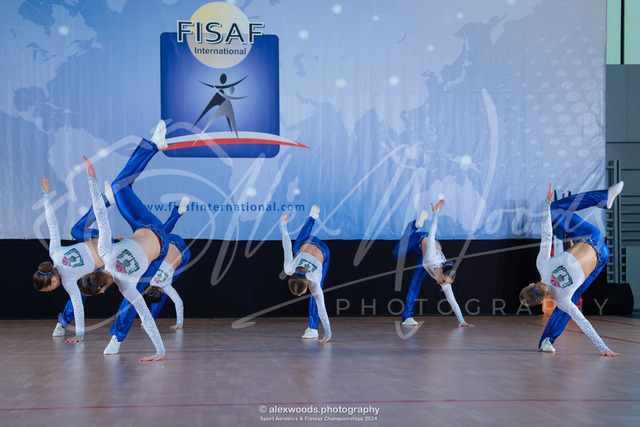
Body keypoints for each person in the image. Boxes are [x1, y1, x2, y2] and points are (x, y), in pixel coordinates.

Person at [77, 122, 170, 362]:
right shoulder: (105, 252)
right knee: (118, 186)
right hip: (149, 227)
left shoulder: (126, 287)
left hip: (157, 240)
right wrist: (91, 180)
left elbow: (146, 318)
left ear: (103, 290)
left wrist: (160, 352)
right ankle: (116, 338)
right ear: (94, 272)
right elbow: (101, 216)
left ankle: (154, 145)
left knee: (120, 185)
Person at [519, 182, 624, 357]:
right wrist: (546, 205)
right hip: (591, 237)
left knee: (573, 297)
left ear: (542, 300)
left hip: (601, 259)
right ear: (531, 284)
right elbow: (547, 235)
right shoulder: (542, 265)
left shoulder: (562, 300)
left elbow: (583, 323)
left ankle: (547, 340)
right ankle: (604, 197)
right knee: (555, 209)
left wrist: (603, 348)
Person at [33, 176, 114, 343]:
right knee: (77, 230)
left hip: (107, 245)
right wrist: (46, 198)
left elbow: (78, 306)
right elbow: (52, 225)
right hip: (104, 240)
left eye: (48, 290)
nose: (50, 292)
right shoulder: (54, 253)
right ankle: (105, 200)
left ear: (52, 282)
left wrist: (80, 334)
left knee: (77, 231)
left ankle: (106, 200)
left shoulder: (68, 282)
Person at [103, 215, 190, 355]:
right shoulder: (148, 277)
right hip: (169, 247)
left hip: (182, 251)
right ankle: (176, 214)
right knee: (157, 237)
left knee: (159, 236)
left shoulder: (165, 286)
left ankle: (176, 214)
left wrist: (179, 323)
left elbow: (178, 302)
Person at [393, 200, 473, 328]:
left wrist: (462, 321)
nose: (443, 284)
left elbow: (452, 300)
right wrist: (435, 214)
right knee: (397, 253)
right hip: (422, 241)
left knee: (416, 282)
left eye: (446, 283)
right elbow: (432, 233)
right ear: (440, 271)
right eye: (443, 281)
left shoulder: (445, 279)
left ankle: (407, 317)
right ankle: (414, 225)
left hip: (425, 257)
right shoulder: (432, 256)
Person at [280, 206, 331, 342]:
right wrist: (283, 224)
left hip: (323, 250)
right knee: (296, 246)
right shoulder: (289, 268)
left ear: (307, 283)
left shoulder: (313, 281)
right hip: (308, 241)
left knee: (317, 294)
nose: (300, 295)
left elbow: (322, 307)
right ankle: (311, 218)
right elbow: (286, 244)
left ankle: (313, 329)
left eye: (301, 293)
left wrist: (328, 332)